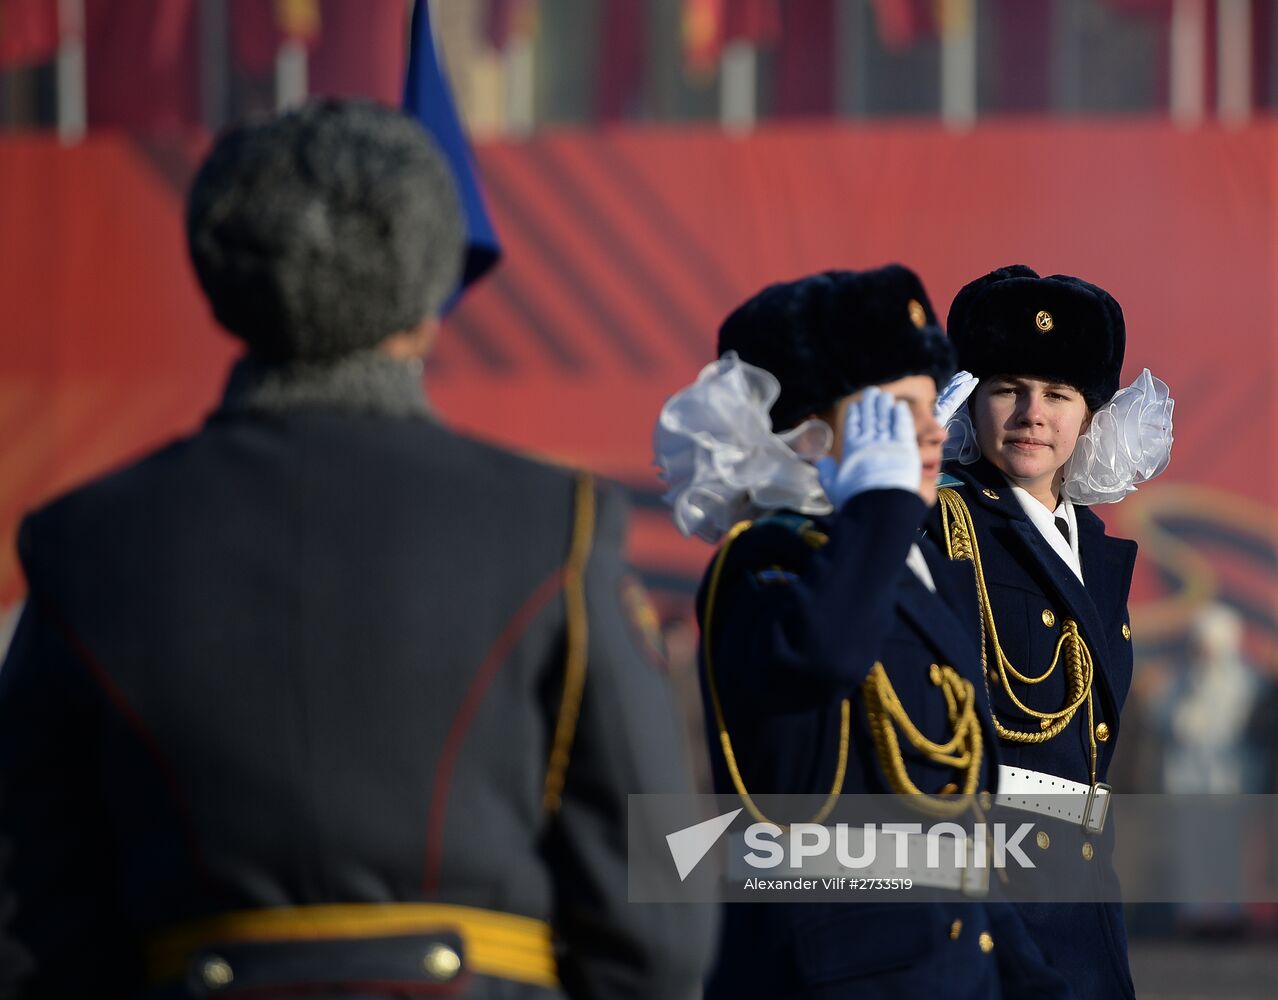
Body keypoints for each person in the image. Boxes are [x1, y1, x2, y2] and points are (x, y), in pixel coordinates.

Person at [0, 100, 715, 999]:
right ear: (427, 302)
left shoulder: (86, 543)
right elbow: (661, 906)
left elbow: (29, 917)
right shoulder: (556, 524)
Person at [656, 267, 1071, 999]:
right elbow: (823, 653)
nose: (930, 432)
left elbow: (960, 809)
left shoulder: (914, 565)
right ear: (808, 428)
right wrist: (878, 508)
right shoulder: (764, 559)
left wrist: (1028, 975)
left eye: (929, 405)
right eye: (893, 412)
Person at [928, 264, 1174, 999]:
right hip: (986, 900)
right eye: (1008, 388)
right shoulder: (938, 527)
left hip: (1082, 895)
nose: (1033, 413)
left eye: (1059, 394)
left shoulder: (1095, 550)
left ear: (1091, 416)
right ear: (970, 404)